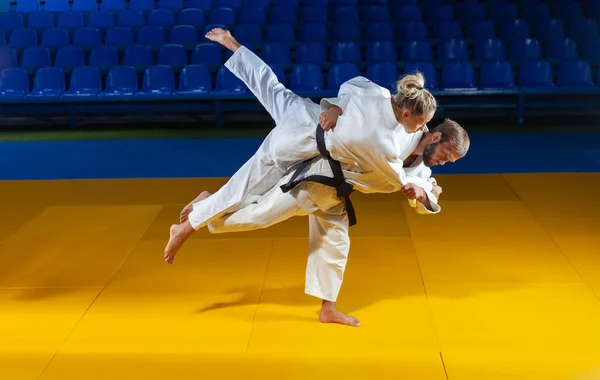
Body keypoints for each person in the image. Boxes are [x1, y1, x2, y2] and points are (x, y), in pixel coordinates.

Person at [166, 119, 468, 327]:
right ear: (435, 137)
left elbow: (428, 192)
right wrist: (336, 111)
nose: (444, 161)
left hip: (337, 194)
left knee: (336, 245)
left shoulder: (421, 166)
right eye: (446, 155)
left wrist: (424, 193)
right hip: (318, 178)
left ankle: (328, 309)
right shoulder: (399, 131)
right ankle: (201, 211)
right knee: (254, 217)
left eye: (450, 161)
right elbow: (360, 119)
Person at [180, 28, 439, 236]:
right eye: (421, 123)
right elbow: (395, 176)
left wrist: (336, 107)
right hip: (300, 137)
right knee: (247, 187)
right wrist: (338, 107)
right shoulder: (382, 139)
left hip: (304, 112)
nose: (422, 128)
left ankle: (232, 44)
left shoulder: (382, 100)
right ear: (406, 114)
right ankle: (195, 218)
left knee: (270, 86)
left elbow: (352, 88)